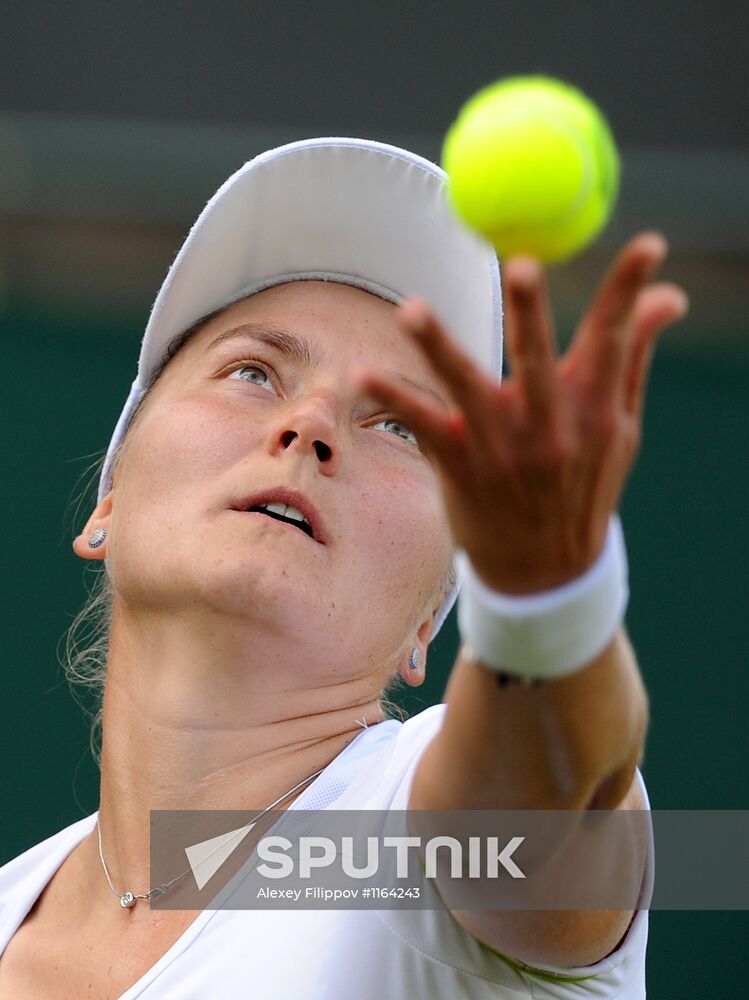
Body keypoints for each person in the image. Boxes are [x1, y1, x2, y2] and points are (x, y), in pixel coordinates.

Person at [0, 137, 687, 998]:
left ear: (428, 624)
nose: (312, 422)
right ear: (110, 500)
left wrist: (547, 598)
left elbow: (553, 814)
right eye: (254, 370)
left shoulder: (400, 849)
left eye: (401, 424)